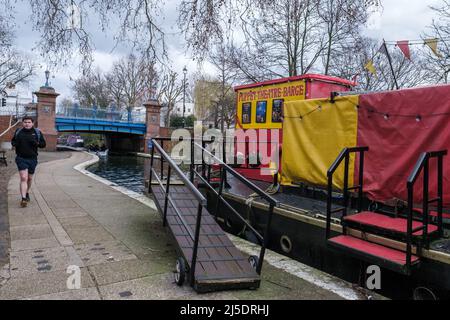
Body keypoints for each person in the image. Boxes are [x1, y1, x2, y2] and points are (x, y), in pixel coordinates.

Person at [11, 117, 46, 208]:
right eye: (25, 122)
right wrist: (15, 144)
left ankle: (26, 193)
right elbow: (13, 141)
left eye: (29, 122)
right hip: (21, 158)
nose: (27, 124)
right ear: (23, 123)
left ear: (32, 123)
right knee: (23, 178)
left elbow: (43, 145)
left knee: (29, 178)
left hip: (32, 159)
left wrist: (36, 143)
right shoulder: (19, 132)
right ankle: (23, 199)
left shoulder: (37, 132)